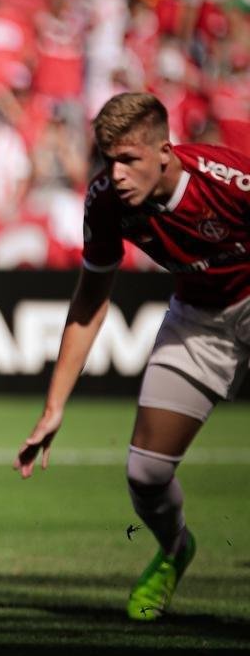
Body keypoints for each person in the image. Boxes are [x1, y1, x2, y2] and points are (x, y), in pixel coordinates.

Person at [16, 92, 250, 621]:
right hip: (199, 318)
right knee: (145, 474)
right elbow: (91, 298)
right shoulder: (103, 201)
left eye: (129, 160)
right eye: (107, 159)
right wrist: (54, 407)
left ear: (164, 152)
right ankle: (173, 551)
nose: (115, 174)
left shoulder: (229, 178)